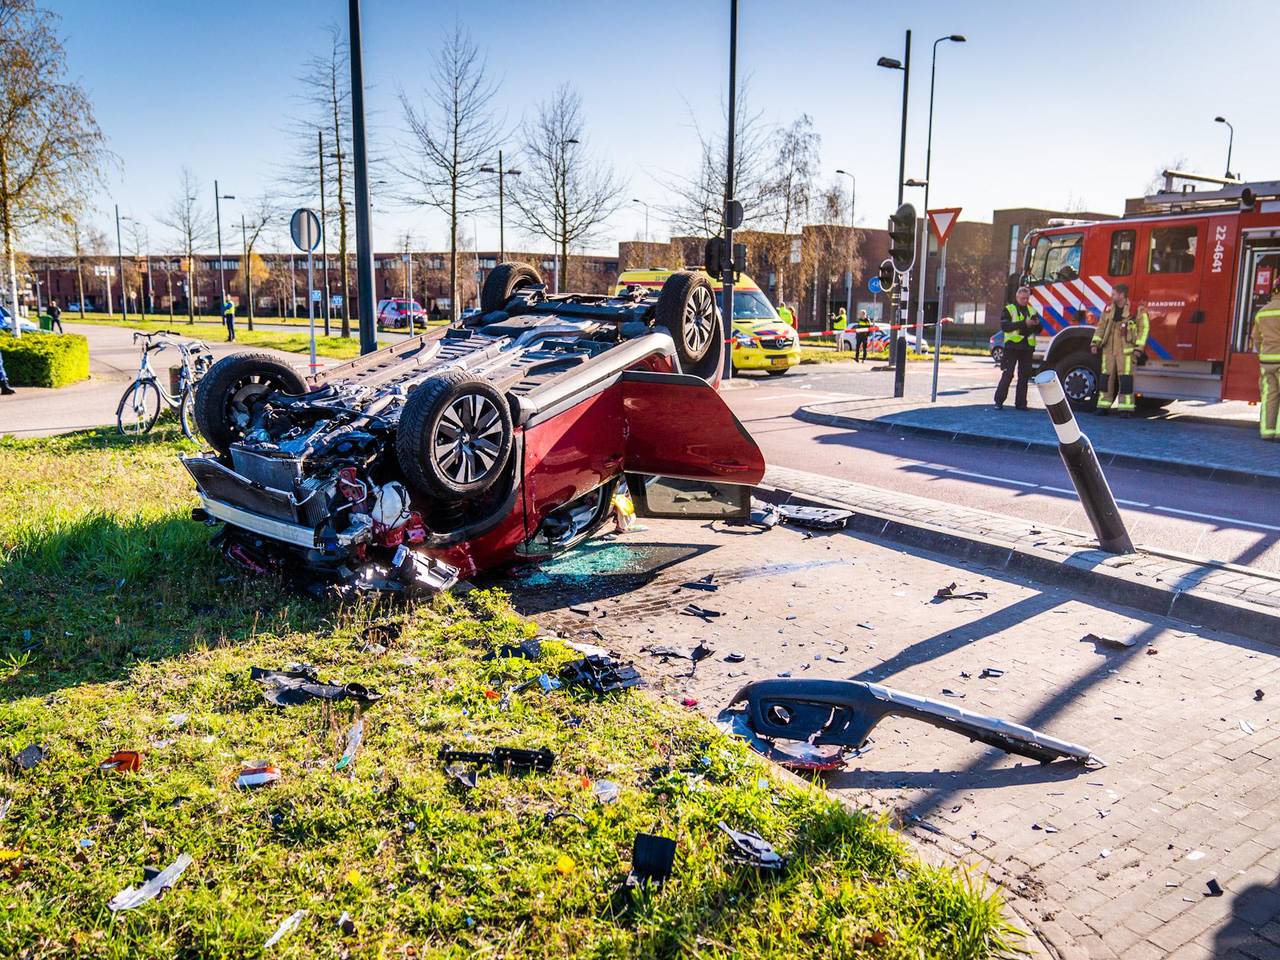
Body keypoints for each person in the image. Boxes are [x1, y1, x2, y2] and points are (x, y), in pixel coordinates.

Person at [1090, 283, 1149, 415]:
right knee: (1105, 378)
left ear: (1122, 295)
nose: (1111, 296)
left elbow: (1143, 329)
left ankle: (1125, 409)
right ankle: (1103, 406)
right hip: (1108, 350)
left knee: (1126, 379)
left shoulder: (1136, 310)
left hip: (1126, 351)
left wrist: (1139, 348)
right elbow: (1100, 327)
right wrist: (1095, 343)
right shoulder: (1108, 309)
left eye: (1114, 294)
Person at [993, 285, 1043, 410]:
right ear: (1017, 297)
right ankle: (998, 401)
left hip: (1027, 348)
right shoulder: (1009, 309)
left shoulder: (1032, 311)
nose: (1025, 301)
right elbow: (1005, 327)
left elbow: (1039, 329)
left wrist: (1036, 324)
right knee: (1008, 374)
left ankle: (1021, 404)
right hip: (1012, 347)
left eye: (1027, 298)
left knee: (1024, 376)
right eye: (1023, 298)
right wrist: (1024, 323)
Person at [1253, 286, 1280, 441]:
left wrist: (1263, 353)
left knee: (1270, 396)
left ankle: (1267, 432)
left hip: (1267, 361)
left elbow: (1256, 339)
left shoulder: (1262, 312)